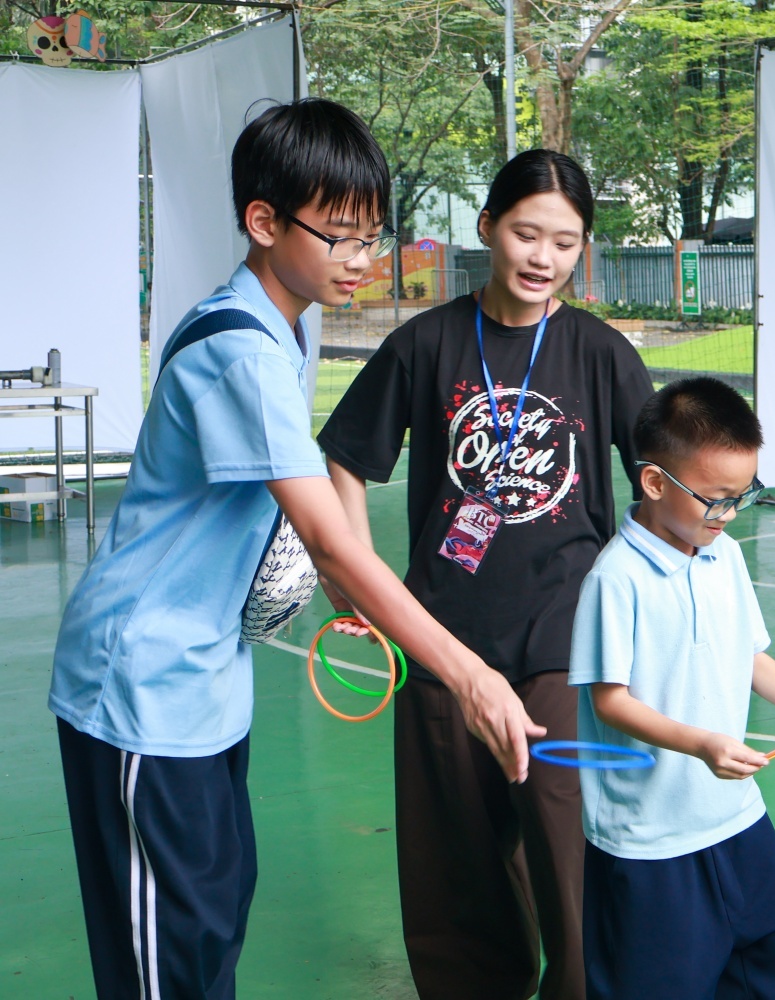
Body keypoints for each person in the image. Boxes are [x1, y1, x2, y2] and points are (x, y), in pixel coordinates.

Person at [48, 99, 543, 1000]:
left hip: (206, 680)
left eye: (370, 237)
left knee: (213, 913)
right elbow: (327, 536)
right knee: (168, 961)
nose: (362, 260)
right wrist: (469, 674)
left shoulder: (290, 318)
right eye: (340, 237)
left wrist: (359, 606)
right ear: (264, 222)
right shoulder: (240, 350)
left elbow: (305, 521)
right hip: (142, 686)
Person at [317, 149, 652, 999]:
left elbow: (664, 479)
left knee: (570, 854)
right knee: (454, 868)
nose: (543, 258)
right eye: (526, 233)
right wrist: (355, 570)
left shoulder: (600, 351)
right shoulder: (425, 341)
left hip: (566, 637)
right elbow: (347, 456)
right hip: (440, 634)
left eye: (566, 243)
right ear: (487, 230)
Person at [569, 377, 775, 1000]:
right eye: (715, 499)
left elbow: (748, 654)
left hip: (735, 818)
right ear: (655, 482)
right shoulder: (615, 581)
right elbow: (609, 700)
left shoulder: (725, 556)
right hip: (649, 838)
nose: (728, 514)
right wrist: (701, 745)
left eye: (742, 496)